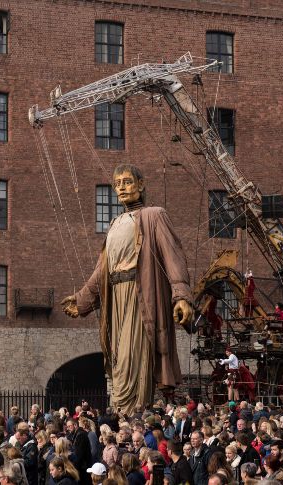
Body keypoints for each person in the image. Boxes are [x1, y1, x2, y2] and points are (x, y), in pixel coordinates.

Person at [60, 164, 194, 413]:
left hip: (141, 293)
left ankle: (134, 413)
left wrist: (181, 296)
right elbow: (103, 269)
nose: (121, 188)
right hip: (115, 298)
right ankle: (122, 412)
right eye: (117, 183)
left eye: (127, 182)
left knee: (135, 356)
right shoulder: (115, 223)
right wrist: (82, 301)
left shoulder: (155, 215)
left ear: (141, 185)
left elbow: (173, 256)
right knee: (120, 360)